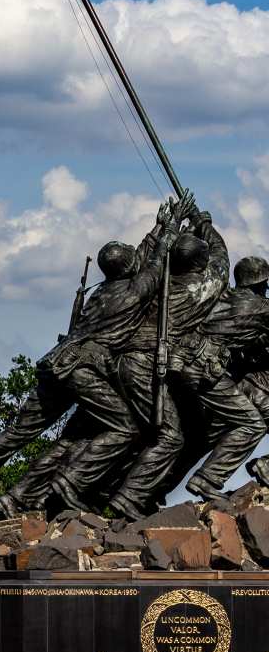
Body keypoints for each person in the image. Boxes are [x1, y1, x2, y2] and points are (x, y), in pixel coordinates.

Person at [0, 196, 187, 513]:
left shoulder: (103, 291)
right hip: (82, 369)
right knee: (125, 427)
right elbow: (153, 264)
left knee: (17, 434)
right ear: (129, 267)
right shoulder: (134, 292)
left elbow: (139, 259)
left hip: (56, 362)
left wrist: (159, 226)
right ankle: (71, 484)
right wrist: (171, 228)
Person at [107, 206, 230, 517]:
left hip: (121, 361)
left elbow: (145, 260)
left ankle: (117, 488)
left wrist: (167, 228)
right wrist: (204, 224)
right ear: (199, 265)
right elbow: (222, 259)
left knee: (147, 430)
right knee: (171, 436)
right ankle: (128, 496)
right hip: (146, 363)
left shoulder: (156, 281)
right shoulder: (201, 288)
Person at [154, 254, 268, 503]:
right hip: (206, 370)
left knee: (202, 437)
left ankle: (152, 489)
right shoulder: (261, 308)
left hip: (185, 364)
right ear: (259, 284)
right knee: (253, 424)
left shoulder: (222, 297)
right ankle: (207, 480)